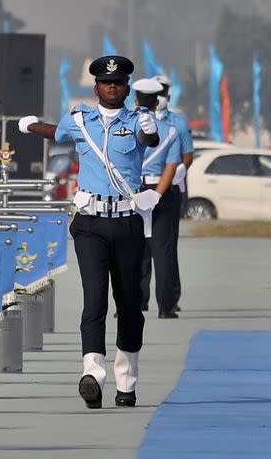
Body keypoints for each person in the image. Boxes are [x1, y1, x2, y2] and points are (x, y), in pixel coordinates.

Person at [18, 55, 161, 409]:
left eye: (118, 82)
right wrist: (31, 125)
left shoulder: (138, 120)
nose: (112, 87)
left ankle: (126, 380)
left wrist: (149, 125)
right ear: (96, 87)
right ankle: (92, 373)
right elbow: (59, 132)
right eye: (105, 82)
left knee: (129, 304)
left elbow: (151, 139)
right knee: (94, 299)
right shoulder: (80, 119)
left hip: (127, 222)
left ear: (127, 88)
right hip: (91, 224)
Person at [133, 78, 182, 319]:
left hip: (131, 191)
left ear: (135, 100)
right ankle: (165, 307)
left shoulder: (126, 123)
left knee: (132, 251)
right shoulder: (170, 130)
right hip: (157, 190)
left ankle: (131, 304)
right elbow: (171, 167)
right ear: (156, 101)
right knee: (162, 251)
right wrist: (157, 195)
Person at [144, 74, 193, 313]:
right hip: (155, 188)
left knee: (164, 248)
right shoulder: (164, 128)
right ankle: (143, 300)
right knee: (144, 249)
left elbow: (184, 159)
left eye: (164, 92)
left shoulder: (177, 122)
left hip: (164, 187)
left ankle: (167, 300)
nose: (161, 97)